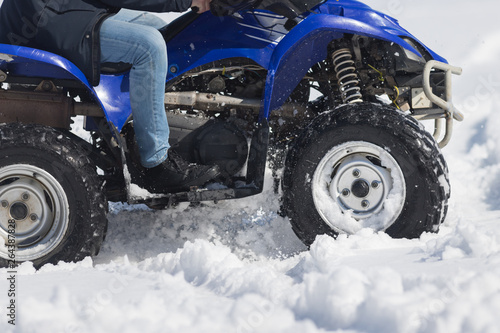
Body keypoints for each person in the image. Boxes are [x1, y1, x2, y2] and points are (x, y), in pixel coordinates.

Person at [0, 0, 220, 193]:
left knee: (160, 27)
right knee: (149, 46)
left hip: (62, 7)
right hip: (44, 17)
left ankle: (131, 130)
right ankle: (156, 164)